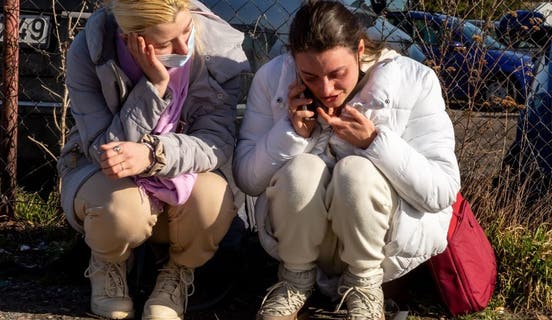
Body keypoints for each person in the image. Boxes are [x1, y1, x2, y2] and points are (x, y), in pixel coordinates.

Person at [233, 1, 460, 319]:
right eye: (309, 76)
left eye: (337, 74)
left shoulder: (414, 81)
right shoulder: (272, 79)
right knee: (302, 169)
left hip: (382, 245)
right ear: (293, 60)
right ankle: (294, 280)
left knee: (356, 171)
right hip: (300, 245)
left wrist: (375, 143)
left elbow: (442, 191)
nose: (325, 89)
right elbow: (246, 178)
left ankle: (365, 287)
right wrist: (291, 134)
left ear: (360, 49)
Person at [56, 0, 249, 319]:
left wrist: (153, 154)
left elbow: (215, 143)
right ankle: (108, 263)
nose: (182, 46)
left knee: (213, 202)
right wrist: (154, 87)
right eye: (163, 43)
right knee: (119, 209)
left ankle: (177, 273)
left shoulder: (218, 52)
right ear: (128, 37)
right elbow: (103, 148)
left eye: (186, 30)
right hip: (104, 171)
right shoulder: (90, 51)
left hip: (182, 170)